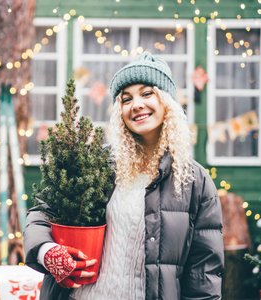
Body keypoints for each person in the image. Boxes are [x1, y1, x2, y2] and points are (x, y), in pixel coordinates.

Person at [23, 52, 224, 300]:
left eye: (147, 93)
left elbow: (203, 274)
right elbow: (41, 212)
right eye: (126, 99)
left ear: (167, 102)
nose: (136, 104)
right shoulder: (96, 163)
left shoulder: (195, 181)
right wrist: (47, 251)